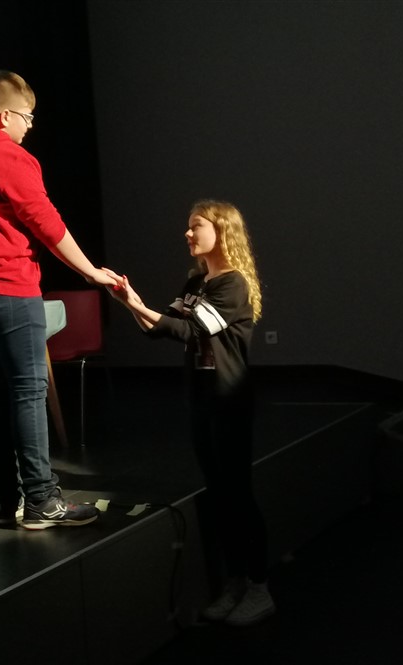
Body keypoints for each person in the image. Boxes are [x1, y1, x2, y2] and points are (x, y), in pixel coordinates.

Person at [0, 70, 119, 530]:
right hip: (7, 284)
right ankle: (42, 499)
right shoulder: (6, 155)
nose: (30, 125)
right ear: (4, 116)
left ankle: (6, 503)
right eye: (27, 116)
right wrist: (90, 271)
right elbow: (46, 222)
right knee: (28, 389)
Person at [105, 199, 275, 626]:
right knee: (218, 495)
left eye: (196, 225)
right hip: (201, 400)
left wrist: (137, 305)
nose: (187, 233)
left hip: (228, 401)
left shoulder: (232, 284)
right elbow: (161, 328)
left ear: (222, 231)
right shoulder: (197, 281)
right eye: (188, 226)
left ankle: (259, 588)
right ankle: (235, 583)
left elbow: (189, 329)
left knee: (238, 495)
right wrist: (129, 300)